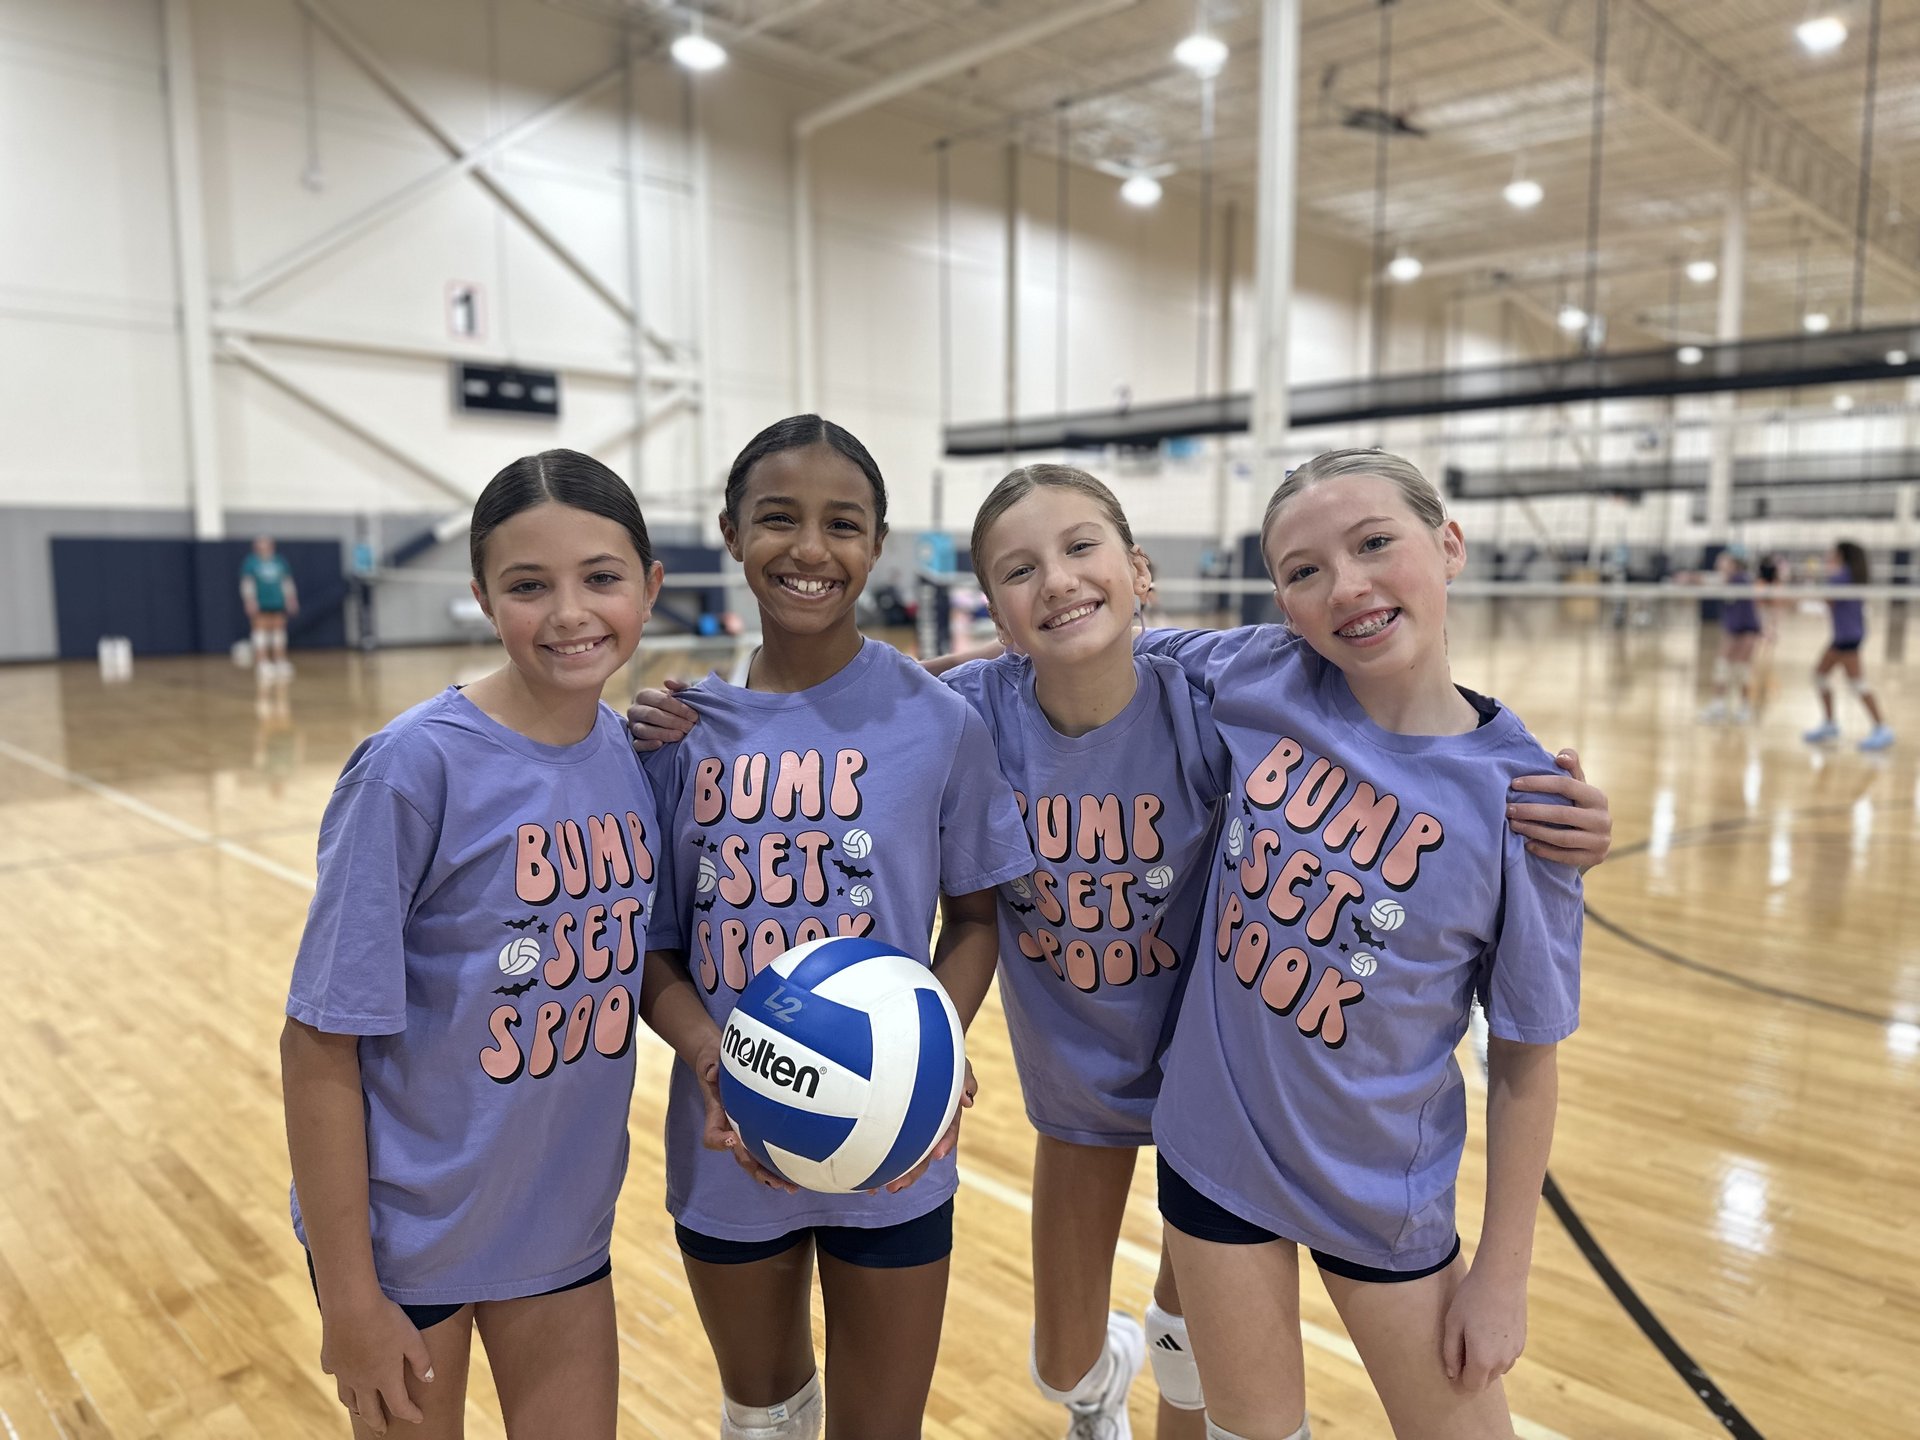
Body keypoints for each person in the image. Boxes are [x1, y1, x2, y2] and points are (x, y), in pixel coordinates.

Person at [632, 460, 1611, 1440]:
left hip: (1222, 1094)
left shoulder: (1219, 687)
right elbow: (871, 695)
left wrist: (1540, 791)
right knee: (1066, 1360)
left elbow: (1410, 708)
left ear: (1139, 571)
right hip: (1093, 1102)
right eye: (1018, 571)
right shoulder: (979, 710)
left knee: (1207, 1370)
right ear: (992, 611)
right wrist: (716, 714)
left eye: (1081, 548)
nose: (1056, 580)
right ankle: (1103, 1389)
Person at [1137, 448, 1585, 1440]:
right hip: (1219, 1155)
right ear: (1283, 604)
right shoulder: (1258, 673)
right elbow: (1079, 655)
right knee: (1244, 1426)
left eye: (1375, 543)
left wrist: (1503, 1276)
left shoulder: (1528, 804)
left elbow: (1524, 1061)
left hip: (1383, 1196)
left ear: (1450, 545)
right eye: (1303, 571)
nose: (1347, 586)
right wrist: (899, 681)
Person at [632, 415, 1034, 1440]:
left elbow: (977, 917)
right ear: (729, 533)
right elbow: (654, 950)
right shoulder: (681, 733)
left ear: (876, 543)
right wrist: (715, 1058)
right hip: (727, 1136)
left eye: (842, 524)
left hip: (896, 1139)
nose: (810, 549)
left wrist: (931, 1048)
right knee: (762, 1421)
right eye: (778, 518)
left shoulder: (937, 720)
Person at [279, 450, 669, 1439]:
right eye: (530, 586)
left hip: (562, 1229)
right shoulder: (414, 769)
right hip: (407, 1249)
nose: (572, 612)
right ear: (483, 598)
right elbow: (318, 1043)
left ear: (651, 585)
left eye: (602, 577)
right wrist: (352, 1296)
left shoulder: (628, 750)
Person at [1804, 540, 1894, 751]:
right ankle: (1830, 724)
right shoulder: (1850, 575)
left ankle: (1882, 728)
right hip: (1847, 634)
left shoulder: (1841, 576)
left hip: (1847, 636)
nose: (1828, 556)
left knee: (1856, 683)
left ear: (1841, 556)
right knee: (1819, 675)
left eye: (1832, 553)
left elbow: (1828, 600)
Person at [1698, 548, 1761, 724]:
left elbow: (1712, 580)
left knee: (1742, 670)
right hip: (1732, 630)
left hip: (1747, 630)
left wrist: (1690, 578)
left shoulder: (1740, 578)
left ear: (1733, 564)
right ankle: (1718, 707)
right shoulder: (1727, 581)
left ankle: (1745, 708)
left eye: (1722, 561)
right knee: (1722, 666)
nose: (1718, 564)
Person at [243, 535, 300, 679]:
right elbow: (247, 583)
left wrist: (291, 599)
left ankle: (280, 660)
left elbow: (286, 581)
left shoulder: (279, 562)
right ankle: (262, 662)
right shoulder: (251, 563)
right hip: (261, 601)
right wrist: (250, 600)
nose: (264, 548)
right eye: (261, 545)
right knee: (260, 630)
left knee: (278, 630)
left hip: (277, 601)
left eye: (266, 544)